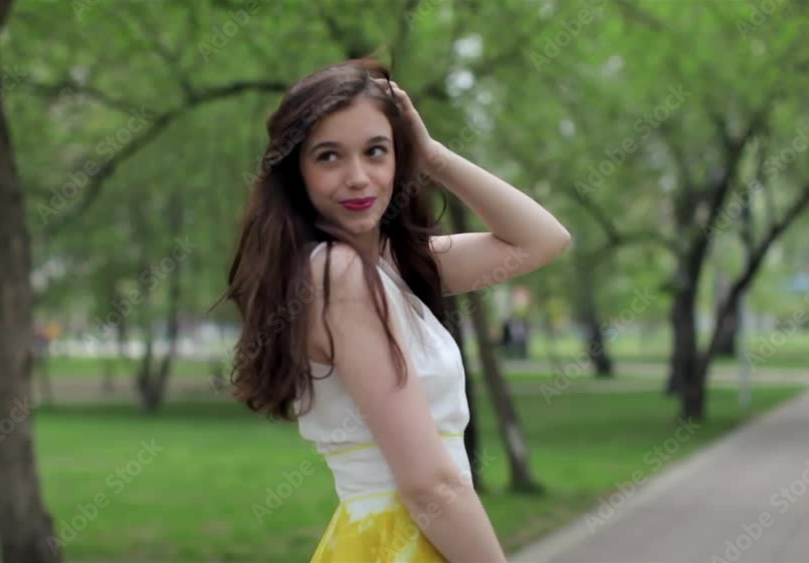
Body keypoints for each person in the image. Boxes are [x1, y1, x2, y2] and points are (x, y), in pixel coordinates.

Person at [218, 59, 570, 562]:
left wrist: (431, 155)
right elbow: (429, 485)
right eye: (329, 156)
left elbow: (542, 240)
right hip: (401, 539)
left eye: (376, 151)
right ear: (296, 171)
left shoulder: (390, 265)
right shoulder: (337, 274)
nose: (358, 177)